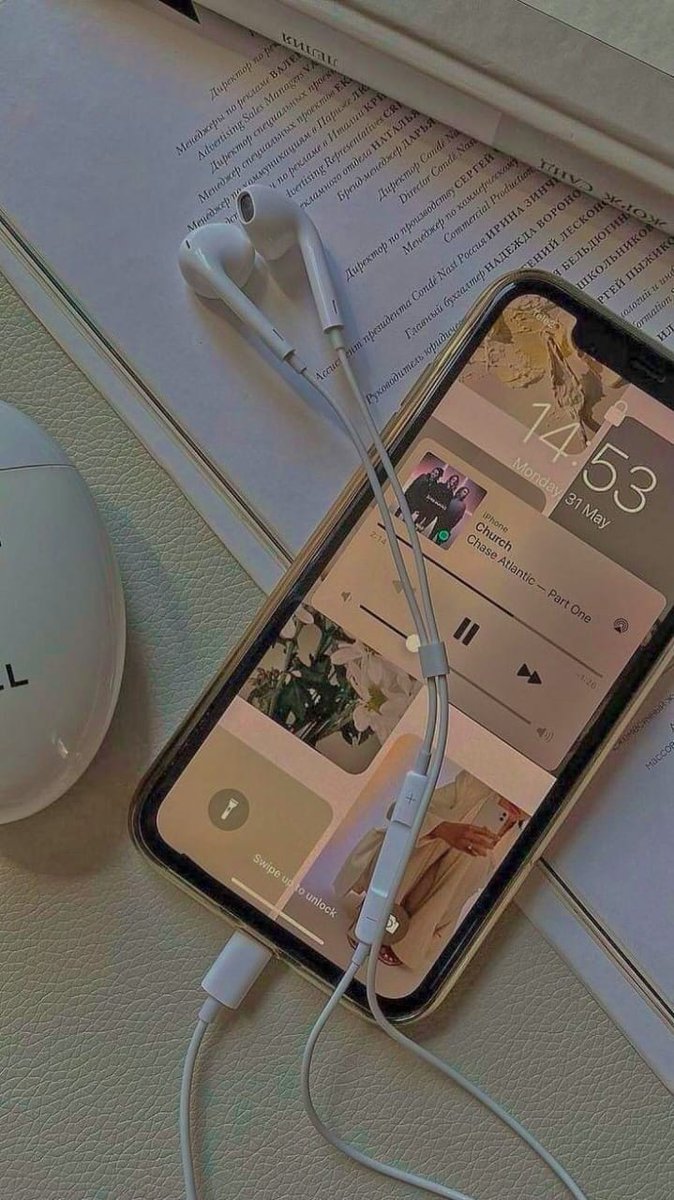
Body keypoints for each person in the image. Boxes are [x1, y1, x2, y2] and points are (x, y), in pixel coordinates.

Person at [334, 770, 526, 968]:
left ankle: (401, 934)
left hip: (437, 904)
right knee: (446, 839)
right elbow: (399, 809)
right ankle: (380, 916)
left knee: (472, 858)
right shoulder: (473, 787)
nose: (520, 804)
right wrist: (442, 830)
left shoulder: (518, 845)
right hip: (401, 864)